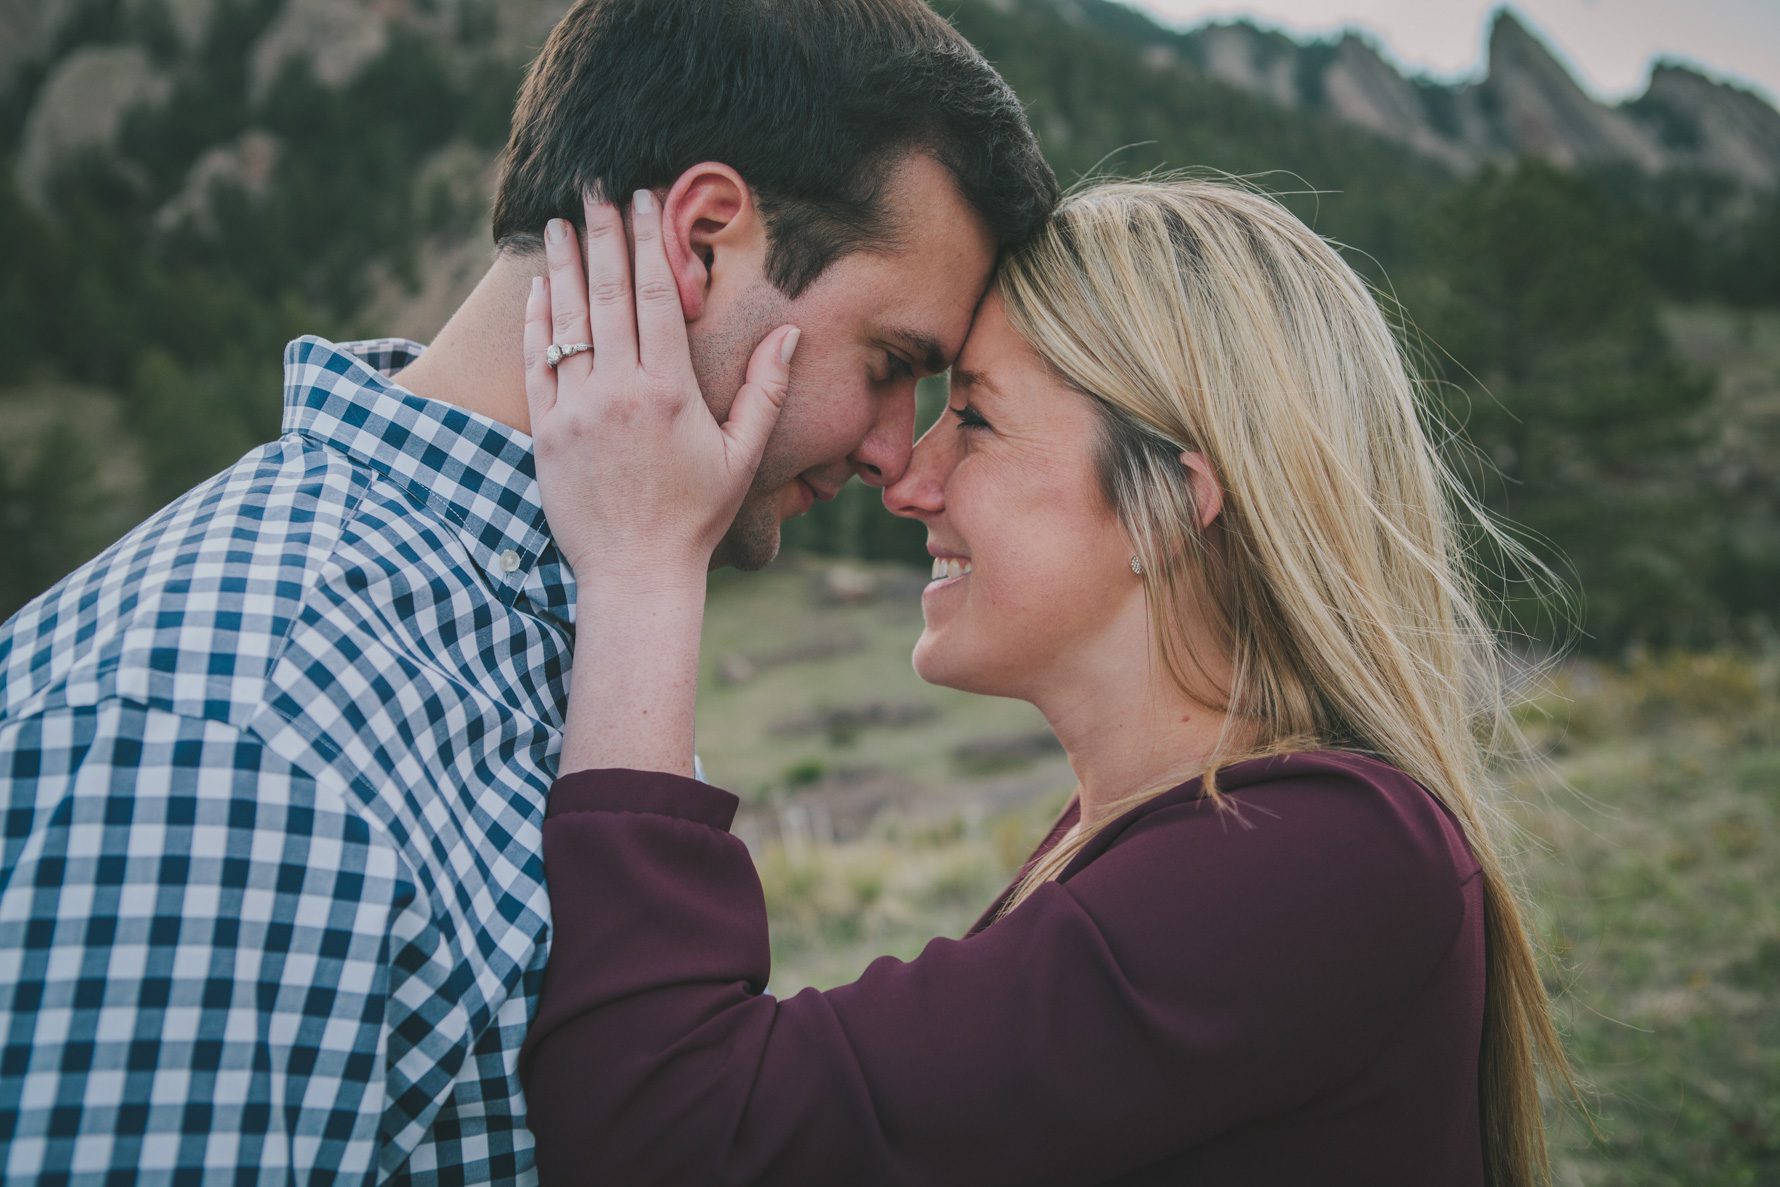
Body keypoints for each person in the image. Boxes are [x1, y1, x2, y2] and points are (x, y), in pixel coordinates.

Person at [0, 1, 1055, 1181]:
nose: (891, 453)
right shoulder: (231, 726)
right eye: (891, 363)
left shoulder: (568, 616)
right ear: (701, 242)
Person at [515, 178, 1585, 1185]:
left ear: (1173, 496)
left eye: (972, 416)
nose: (908, 477)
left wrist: (646, 563)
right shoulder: (1175, 832)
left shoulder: (1319, 860)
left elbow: (668, 1134)